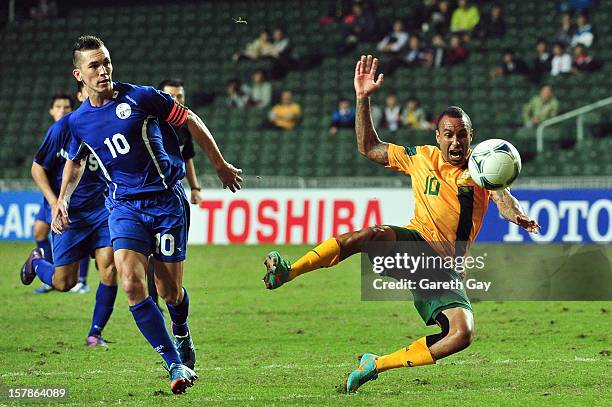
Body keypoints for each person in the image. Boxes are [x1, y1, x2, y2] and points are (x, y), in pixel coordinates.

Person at [261, 55, 541, 393]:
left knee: (461, 333)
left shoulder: (482, 170)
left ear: (471, 137)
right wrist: (363, 99)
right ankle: (288, 271)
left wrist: (517, 214)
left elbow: (503, 198)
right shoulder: (421, 157)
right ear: (437, 136)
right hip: (415, 244)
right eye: (449, 135)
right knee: (373, 234)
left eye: (462, 135)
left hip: (445, 268)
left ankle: (375, 364)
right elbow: (368, 147)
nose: (456, 142)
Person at [51, 35, 242, 394]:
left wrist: (220, 165)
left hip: (166, 202)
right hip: (124, 207)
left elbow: (191, 120)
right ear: (79, 74)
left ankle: (181, 330)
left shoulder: (141, 97)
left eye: (106, 61)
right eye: (94, 65)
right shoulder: (77, 122)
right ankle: (174, 363)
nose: (104, 70)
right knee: (131, 284)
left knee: (169, 292)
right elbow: (75, 161)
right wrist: (62, 199)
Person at [21, 81, 118, 348]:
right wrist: (55, 203)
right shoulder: (63, 128)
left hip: (102, 210)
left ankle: (94, 334)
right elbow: (37, 168)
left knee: (110, 267)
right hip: (69, 213)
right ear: (81, 94)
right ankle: (36, 263)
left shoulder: (112, 123)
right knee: (64, 283)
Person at [32, 94, 91, 294]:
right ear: (51, 110)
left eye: (67, 107)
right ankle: (47, 271)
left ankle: (81, 279)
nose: (63, 110)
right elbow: (39, 167)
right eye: (58, 106)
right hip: (54, 195)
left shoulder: (79, 128)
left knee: (79, 232)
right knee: (39, 231)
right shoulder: (56, 132)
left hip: (73, 196)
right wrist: (52, 199)